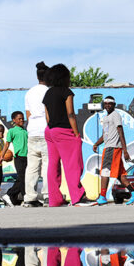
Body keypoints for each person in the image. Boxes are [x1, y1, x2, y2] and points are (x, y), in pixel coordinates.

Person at [42, 63, 95, 207]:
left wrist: (52, 128)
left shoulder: (48, 93)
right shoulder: (66, 92)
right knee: (73, 164)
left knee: (53, 165)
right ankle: (78, 197)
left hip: (50, 131)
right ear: (64, 77)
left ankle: (55, 199)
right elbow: (70, 113)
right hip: (64, 131)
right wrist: (76, 134)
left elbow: (47, 116)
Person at [91, 96, 134, 206]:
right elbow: (105, 135)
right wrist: (96, 144)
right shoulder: (107, 117)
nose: (107, 105)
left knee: (104, 171)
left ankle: (102, 196)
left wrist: (125, 150)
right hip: (109, 147)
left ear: (114, 105)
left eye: (110, 103)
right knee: (120, 175)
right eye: (106, 103)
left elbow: (120, 132)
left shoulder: (115, 115)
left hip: (112, 148)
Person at [23, 61, 49, 208]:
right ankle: (47, 196)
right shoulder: (48, 91)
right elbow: (48, 113)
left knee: (32, 167)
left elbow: (28, 114)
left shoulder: (29, 92)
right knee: (47, 165)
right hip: (45, 129)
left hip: (32, 130)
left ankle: (30, 197)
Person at [1, 111, 28, 206]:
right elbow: (7, 144)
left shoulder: (25, 131)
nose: (22, 120)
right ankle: (25, 198)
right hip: (19, 158)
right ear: (14, 120)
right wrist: (2, 156)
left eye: (22, 118)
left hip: (28, 157)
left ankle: (10, 195)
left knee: (24, 178)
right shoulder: (12, 131)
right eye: (19, 119)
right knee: (23, 178)